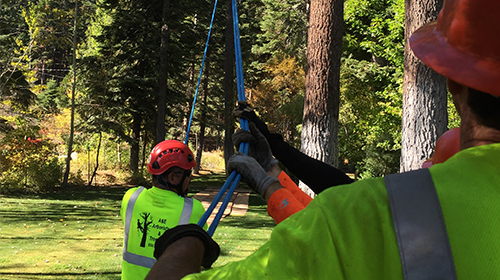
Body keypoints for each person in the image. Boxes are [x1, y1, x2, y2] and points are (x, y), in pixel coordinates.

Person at [146, 0, 500, 279]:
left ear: (453, 81)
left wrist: (187, 242)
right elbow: (339, 194)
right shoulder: (371, 215)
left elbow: (342, 216)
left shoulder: (381, 217)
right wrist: (273, 166)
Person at [120, 140, 209, 280]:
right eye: (188, 173)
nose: (191, 178)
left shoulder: (131, 197)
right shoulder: (193, 209)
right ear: (172, 178)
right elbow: (201, 252)